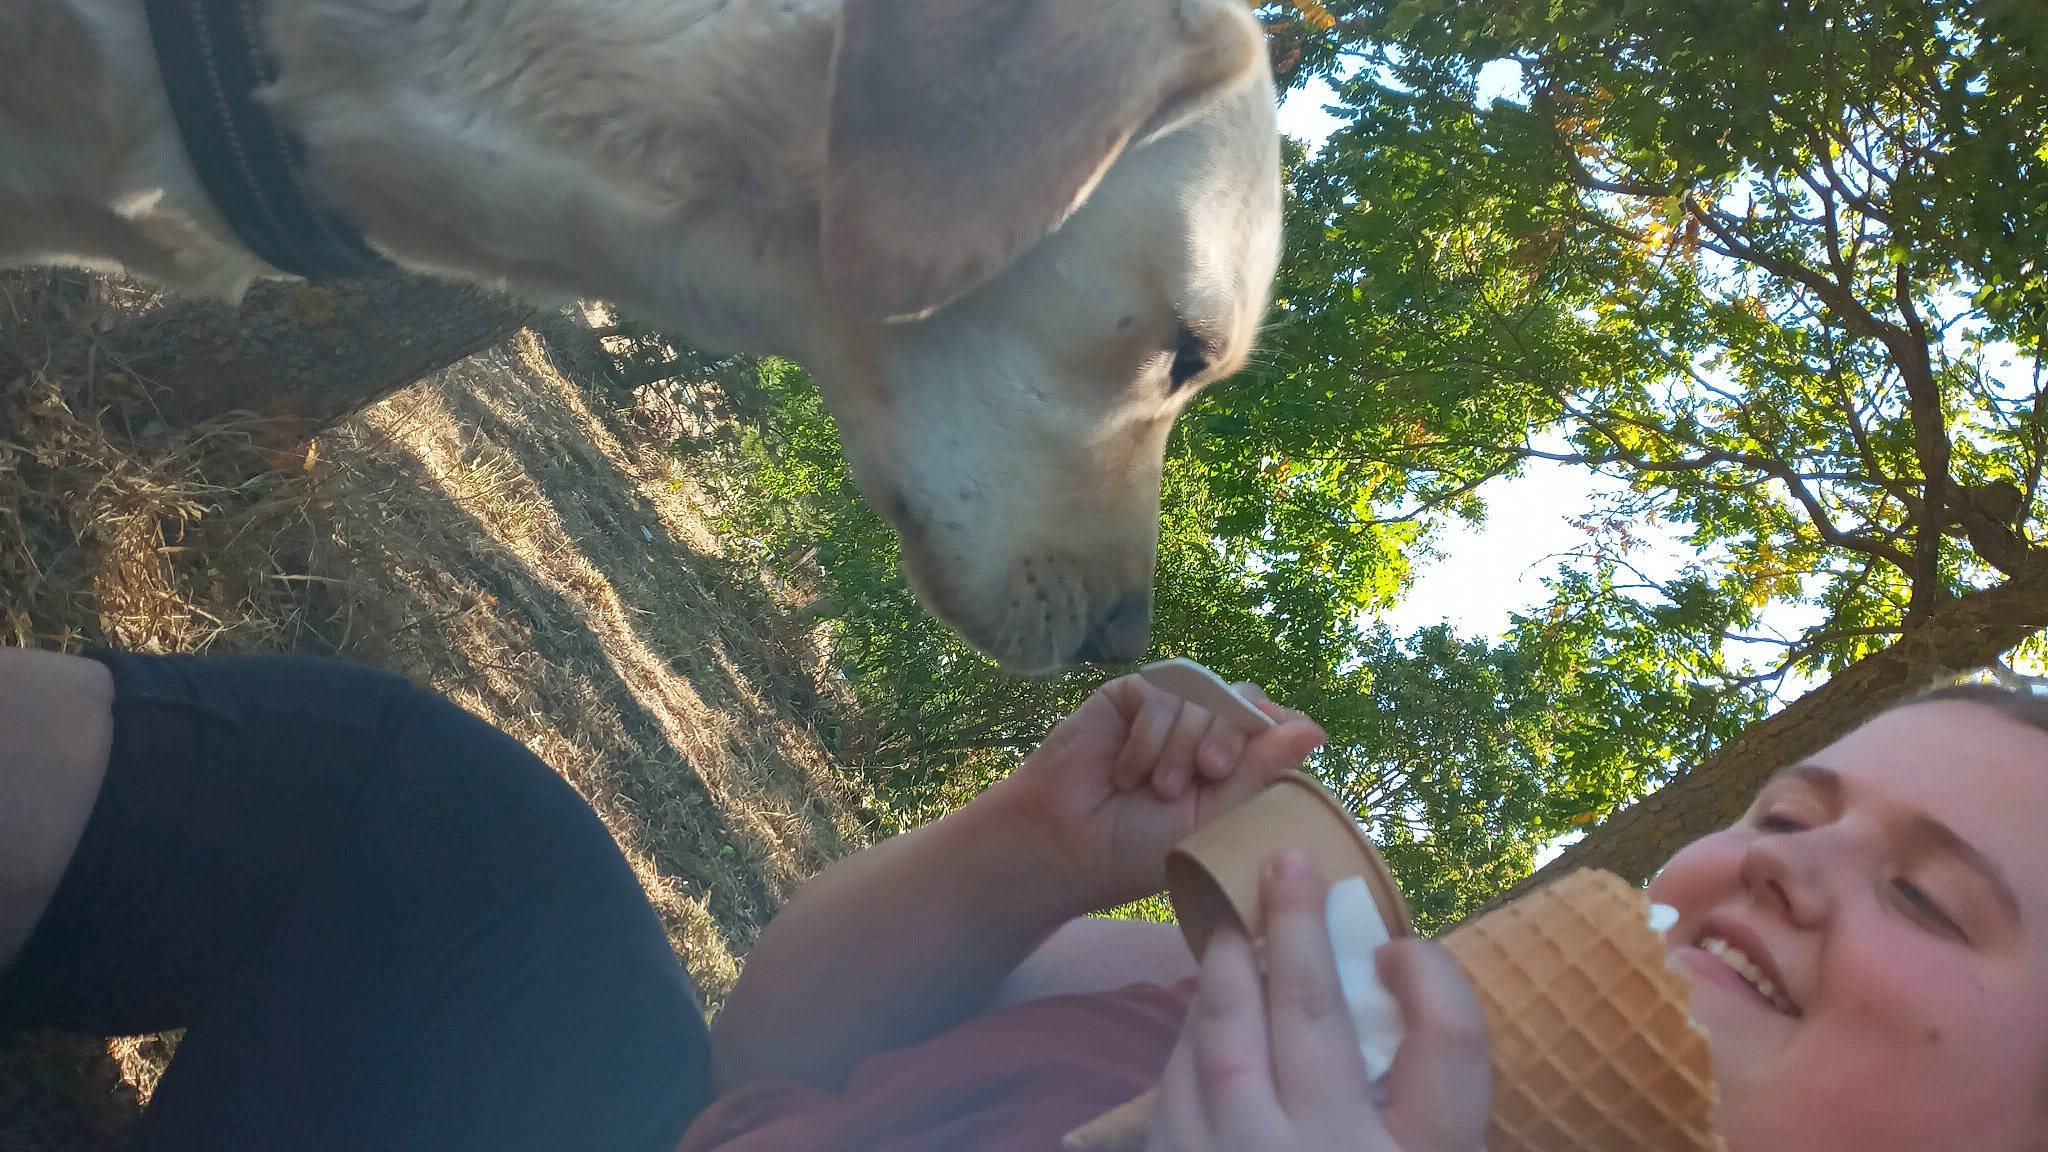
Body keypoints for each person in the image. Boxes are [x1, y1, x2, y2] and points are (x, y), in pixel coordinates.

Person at [6, 645, 2048, 1152]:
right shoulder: (1260, 997)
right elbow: (772, 1067)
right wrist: (1023, 855)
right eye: (1793, 804)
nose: (1781, 861)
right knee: (435, 813)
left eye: (1936, 903)